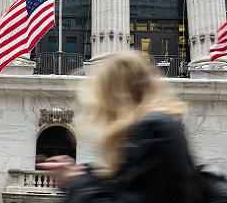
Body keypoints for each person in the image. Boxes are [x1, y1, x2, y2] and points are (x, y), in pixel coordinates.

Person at [37, 50, 206, 203]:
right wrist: (82, 173)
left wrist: (74, 182)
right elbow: (128, 184)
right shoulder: (154, 127)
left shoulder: (154, 129)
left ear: (116, 94)